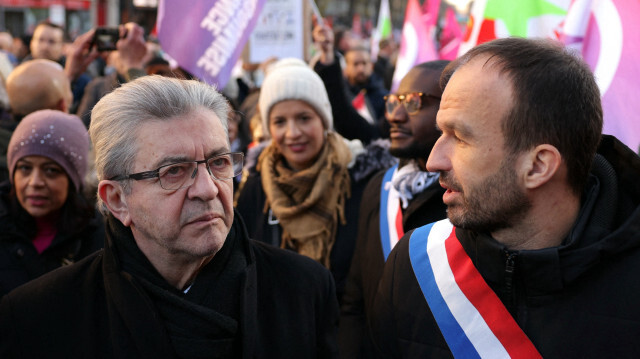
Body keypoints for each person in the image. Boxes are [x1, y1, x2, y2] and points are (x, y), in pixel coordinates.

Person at [0, 75, 339, 358]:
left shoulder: (304, 290)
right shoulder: (39, 317)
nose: (207, 189)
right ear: (117, 199)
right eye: (174, 171)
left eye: (219, 163)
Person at [370, 37, 640, 358]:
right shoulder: (414, 265)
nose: (433, 161)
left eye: (460, 137)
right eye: (442, 132)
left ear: (538, 166)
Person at [235, 58, 393, 302]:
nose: (293, 133)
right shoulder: (255, 185)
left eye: (304, 118)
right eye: (279, 121)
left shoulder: (363, 181)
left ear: (323, 119)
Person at [339, 61, 449, 358]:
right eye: (394, 101)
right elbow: (355, 296)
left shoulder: (469, 195)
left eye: (413, 103)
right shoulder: (380, 187)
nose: (394, 116)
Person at [0, 109, 103, 296]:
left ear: (73, 179)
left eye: (51, 170)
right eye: (25, 168)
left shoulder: (95, 237)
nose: (35, 182)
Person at [312, 23, 385, 144]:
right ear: (345, 67)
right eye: (356, 64)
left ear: (371, 66)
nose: (361, 69)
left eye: (364, 63)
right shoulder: (341, 93)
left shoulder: (384, 96)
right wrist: (327, 54)